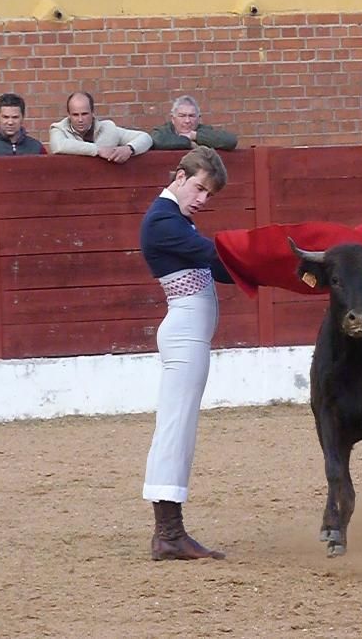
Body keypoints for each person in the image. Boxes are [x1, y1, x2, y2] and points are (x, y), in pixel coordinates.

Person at [139, 146, 233, 561]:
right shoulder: (163, 221)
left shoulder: (176, 220)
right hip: (184, 337)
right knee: (176, 427)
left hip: (190, 335)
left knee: (180, 426)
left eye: (209, 194)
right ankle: (168, 533)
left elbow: (220, 270)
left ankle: (170, 531)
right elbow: (217, 257)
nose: (202, 199)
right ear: (179, 176)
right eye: (198, 188)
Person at [49, 92, 152, 162]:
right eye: (75, 115)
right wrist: (98, 150)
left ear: (92, 113)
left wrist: (129, 149)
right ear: (69, 115)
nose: (80, 119)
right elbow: (59, 145)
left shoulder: (107, 128)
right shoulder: (59, 129)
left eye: (84, 114)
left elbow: (145, 137)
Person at [150, 95, 238, 151]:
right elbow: (155, 140)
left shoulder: (203, 130)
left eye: (191, 116)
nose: (187, 121)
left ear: (198, 118)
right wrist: (189, 143)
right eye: (182, 116)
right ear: (173, 119)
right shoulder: (163, 131)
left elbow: (231, 140)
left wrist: (194, 136)